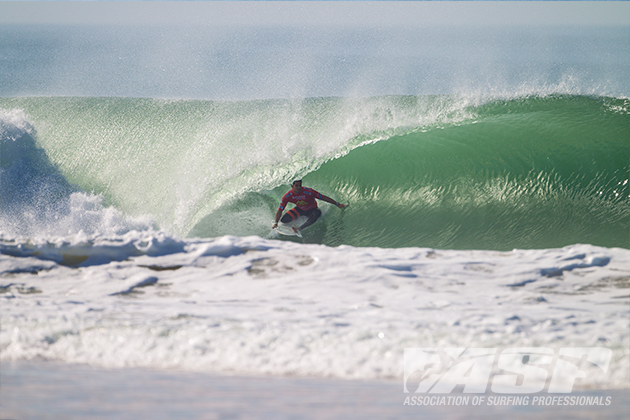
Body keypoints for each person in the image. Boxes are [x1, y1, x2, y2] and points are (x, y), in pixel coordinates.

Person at [272, 180, 348, 235]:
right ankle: (281, 222)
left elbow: (323, 197)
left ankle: (299, 228)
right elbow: (280, 210)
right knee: (283, 220)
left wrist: (337, 204)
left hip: (312, 210)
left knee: (317, 214)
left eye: (300, 185)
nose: (299, 187)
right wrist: (276, 223)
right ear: (292, 186)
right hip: (300, 210)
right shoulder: (287, 196)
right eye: (296, 185)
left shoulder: (309, 192)